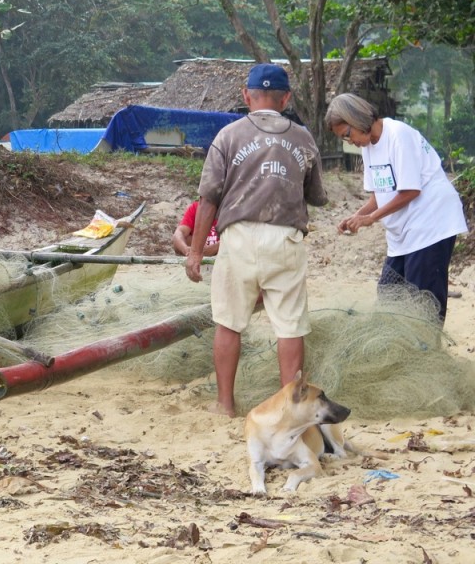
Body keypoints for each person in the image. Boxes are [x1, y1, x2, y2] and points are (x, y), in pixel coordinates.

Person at [184, 63, 327, 417]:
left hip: (239, 238)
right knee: (290, 327)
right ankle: (291, 410)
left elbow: (208, 199)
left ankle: (225, 404)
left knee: (230, 322)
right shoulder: (303, 138)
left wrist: (196, 253)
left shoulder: (228, 135)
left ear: (246, 95)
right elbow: (316, 195)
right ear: (287, 98)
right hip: (286, 238)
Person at [325, 93, 468, 321]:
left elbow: (411, 190)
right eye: (344, 139)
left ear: (357, 118)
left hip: (431, 224)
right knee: (389, 294)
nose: (349, 141)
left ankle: (427, 352)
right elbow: (378, 198)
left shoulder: (398, 135)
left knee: (421, 301)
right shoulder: (368, 147)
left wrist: (371, 219)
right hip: (403, 233)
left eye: (348, 134)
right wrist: (356, 216)